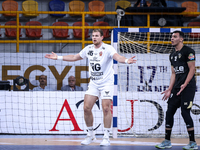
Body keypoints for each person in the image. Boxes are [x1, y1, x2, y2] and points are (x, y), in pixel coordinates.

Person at [45, 29, 136, 146]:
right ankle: (90, 135)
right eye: (93, 36)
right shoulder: (89, 49)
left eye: (97, 36)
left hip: (106, 83)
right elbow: (74, 57)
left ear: (102, 37)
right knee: (86, 108)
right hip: (94, 83)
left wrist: (127, 60)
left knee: (106, 109)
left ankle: (106, 137)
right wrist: (58, 57)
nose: (94, 38)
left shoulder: (108, 48)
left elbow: (117, 57)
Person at [155, 31, 198, 149]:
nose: (172, 38)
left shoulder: (189, 51)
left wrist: (185, 84)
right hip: (176, 87)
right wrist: (169, 88)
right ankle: (167, 141)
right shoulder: (172, 55)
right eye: (171, 37)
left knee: (185, 112)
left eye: (174, 37)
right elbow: (173, 73)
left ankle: (193, 142)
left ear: (181, 39)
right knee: (169, 112)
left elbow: (192, 69)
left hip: (188, 87)